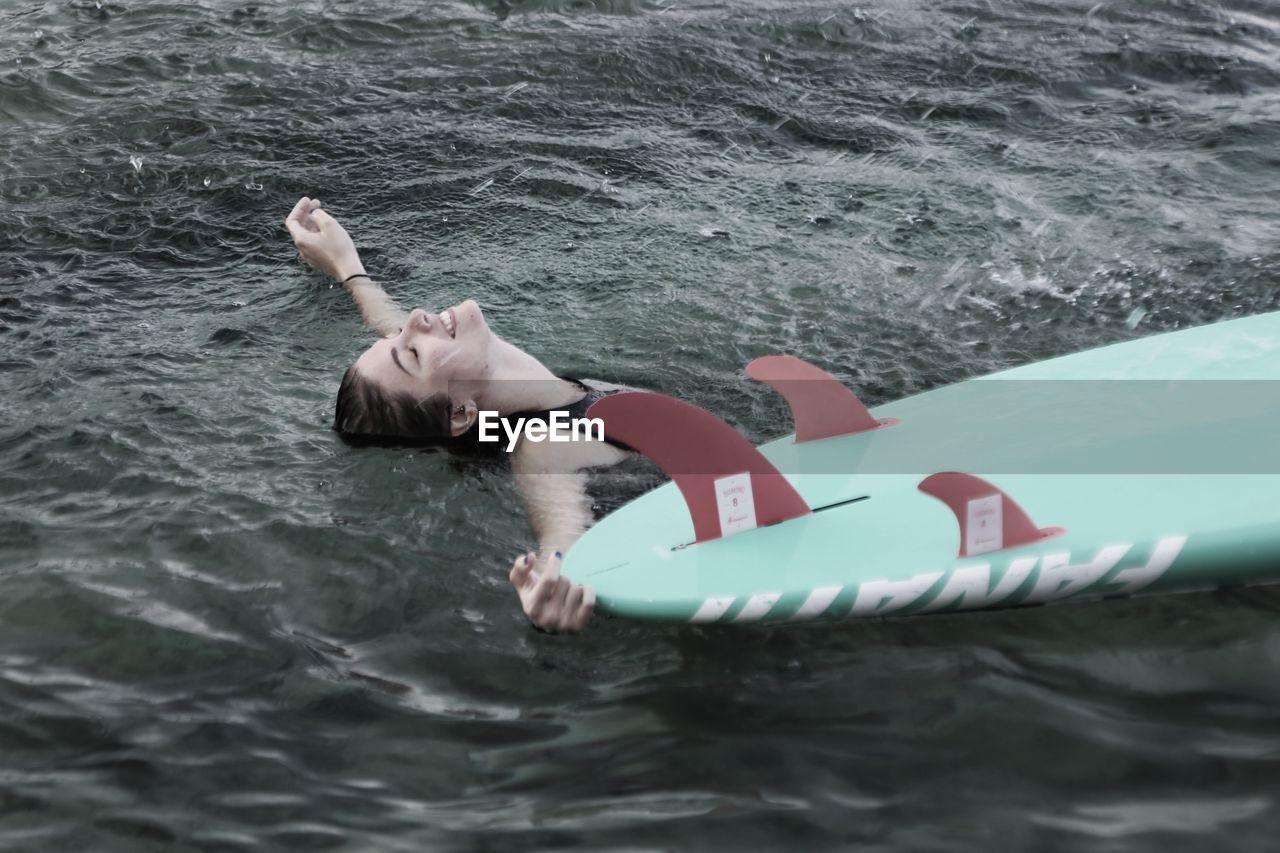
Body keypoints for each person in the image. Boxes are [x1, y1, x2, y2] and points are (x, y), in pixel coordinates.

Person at [285, 196, 649, 633]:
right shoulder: (546, 447)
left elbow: (393, 329)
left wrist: (347, 267)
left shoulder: (495, 386)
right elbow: (563, 529)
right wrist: (554, 587)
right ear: (461, 412)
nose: (416, 319)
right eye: (413, 352)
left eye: (401, 334)